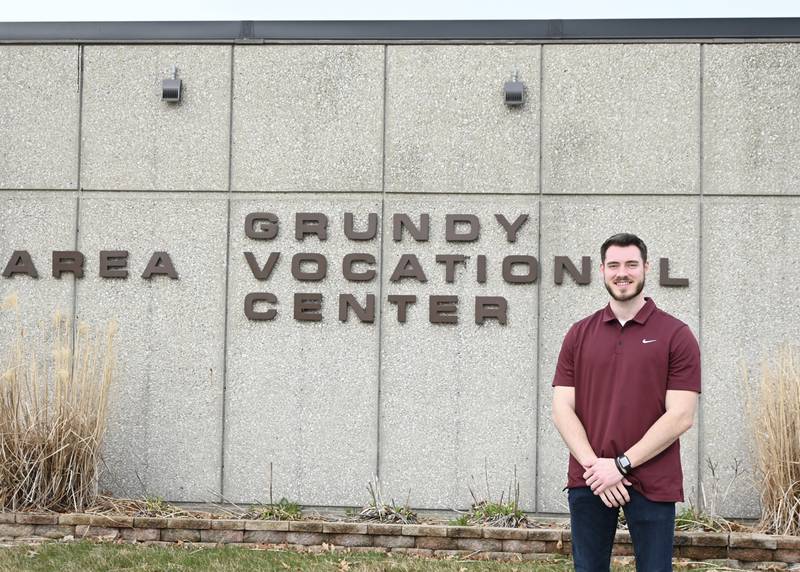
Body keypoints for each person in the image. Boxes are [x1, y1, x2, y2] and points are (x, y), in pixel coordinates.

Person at [551, 233, 701, 572]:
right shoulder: (579, 333)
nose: (623, 273)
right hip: (590, 479)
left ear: (646, 268)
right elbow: (562, 409)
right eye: (614, 265)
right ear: (602, 270)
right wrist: (596, 468)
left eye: (631, 264)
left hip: (652, 479)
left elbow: (681, 415)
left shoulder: (675, 335)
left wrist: (619, 465)